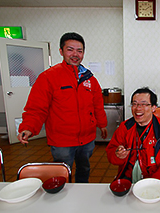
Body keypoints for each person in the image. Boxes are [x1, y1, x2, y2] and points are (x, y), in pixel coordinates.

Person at [17, 32, 108, 183]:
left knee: (84, 168)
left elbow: (98, 104)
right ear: (61, 51)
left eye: (79, 50)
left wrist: (102, 124)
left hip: (87, 139)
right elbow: (37, 108)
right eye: (70, 49)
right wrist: (28, 127)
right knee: (62, 172)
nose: (75, 54)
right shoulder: (48, 77)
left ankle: (82, 192)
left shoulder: (90, 78)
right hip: (62, 141)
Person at [106, 87, 160, 183]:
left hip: (156, 182)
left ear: (153, 108)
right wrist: (118, 155)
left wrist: (150, 185)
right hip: (128, 179)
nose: (138, 108)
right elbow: (111, 152)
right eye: (134, 104)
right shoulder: (125, 127)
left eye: (144, 104)